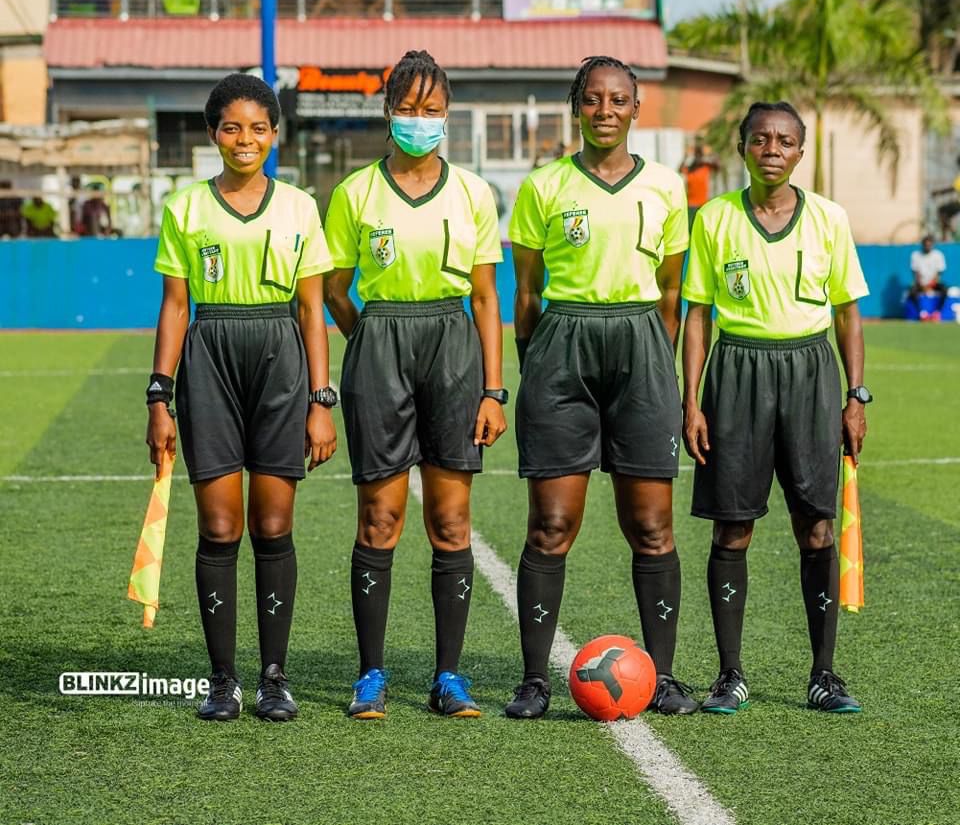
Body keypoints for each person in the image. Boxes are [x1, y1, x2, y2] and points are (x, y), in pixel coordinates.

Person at [504, 55, 696, 720]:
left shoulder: (667, 187)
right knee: (551, 524)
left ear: (636, 109)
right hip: (563, 347)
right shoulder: (543, 187)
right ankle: (533, 678)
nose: (606, 110)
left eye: (618, 99)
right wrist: (539, 360)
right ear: (576, 107)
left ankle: (663, 674)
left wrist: (655, 360)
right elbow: (525, 294)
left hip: (641, 346)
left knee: (651, 524)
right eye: (593, 99)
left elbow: (671, 291)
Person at [145, 73, 338, 722]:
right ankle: (222, 678)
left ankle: (274, 677)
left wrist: (321, 398)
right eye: (232, 127)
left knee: (273, 524)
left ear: (275, 135)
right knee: (221, 526)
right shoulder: (185, 206)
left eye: (258, 127)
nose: (245, 138)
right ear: (212, 134)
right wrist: (158, 396)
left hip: (281, 362)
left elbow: (313, 311)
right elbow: (175, 305)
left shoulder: (301, 207)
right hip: (210, 361)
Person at [324, 49, 507, 720]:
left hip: (453, 347)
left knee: (451, 520)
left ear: (447, 116)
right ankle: (371, 674)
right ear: (387, 110)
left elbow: (487, 299)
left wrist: (493, 388)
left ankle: (448, 677)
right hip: (381, 341)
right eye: (408, 108)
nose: (419, 120)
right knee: (380, 517)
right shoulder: (354, 193)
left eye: (432, 110)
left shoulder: (473, 193)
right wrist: (370, 342)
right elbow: (334, 291)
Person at [682, 101, 870, 715]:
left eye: (785, 140)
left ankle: (824, 674)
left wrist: (855, 396)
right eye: (760, 139)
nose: (772, 149)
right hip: (737, 374)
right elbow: (698, 316)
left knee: (815, 524)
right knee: (733, 526)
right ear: (742, 148)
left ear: (800, 152)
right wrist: (693, 401)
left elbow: (847, 312)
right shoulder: (713, 219)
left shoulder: (830, 219)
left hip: (811, 374)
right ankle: (730, 673)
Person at [908, 235, 948, 319]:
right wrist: (922, 285)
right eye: (926, 245)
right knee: (912, 291)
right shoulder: (916, 255)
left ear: (932, 245)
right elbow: (916, 274)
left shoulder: (938, 255)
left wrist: (930, 285)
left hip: (933, 283)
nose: (927, 247)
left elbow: (938, 274)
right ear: (923, 245)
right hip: (921, 284)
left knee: (944, 289)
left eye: (929, 245)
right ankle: (922, 314)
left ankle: (937, 313)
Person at [679, 140, 718, 227]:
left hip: (705, 204)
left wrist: (709, 153)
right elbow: (680, 169)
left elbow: (717, 165)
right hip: (691, 205)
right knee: (690, 228)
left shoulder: (705, 166)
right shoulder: (689, 169)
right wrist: (686, 156)